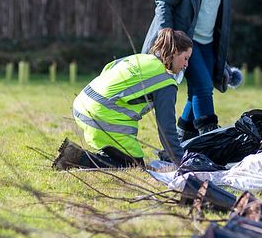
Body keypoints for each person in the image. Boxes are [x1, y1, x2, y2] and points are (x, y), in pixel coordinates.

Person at [53, 28, 192, 170]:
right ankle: (76, 158)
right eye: (185, 58)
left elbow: (108, 69)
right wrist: (180, 161)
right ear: (174, 52)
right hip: (99, 117)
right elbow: (166, 128)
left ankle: (101, 152)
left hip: (81, 105)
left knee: (123, 157)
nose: (186, 65)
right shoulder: (166, 82)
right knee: (134, 166)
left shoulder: (140, 58)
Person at [141, 0, 231, 142]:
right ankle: (211, 138)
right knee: (202, 86)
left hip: (209, 41)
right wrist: (167, 34)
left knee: (198, 90)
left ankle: (183, 139)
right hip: (185, 42)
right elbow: (163, 3)